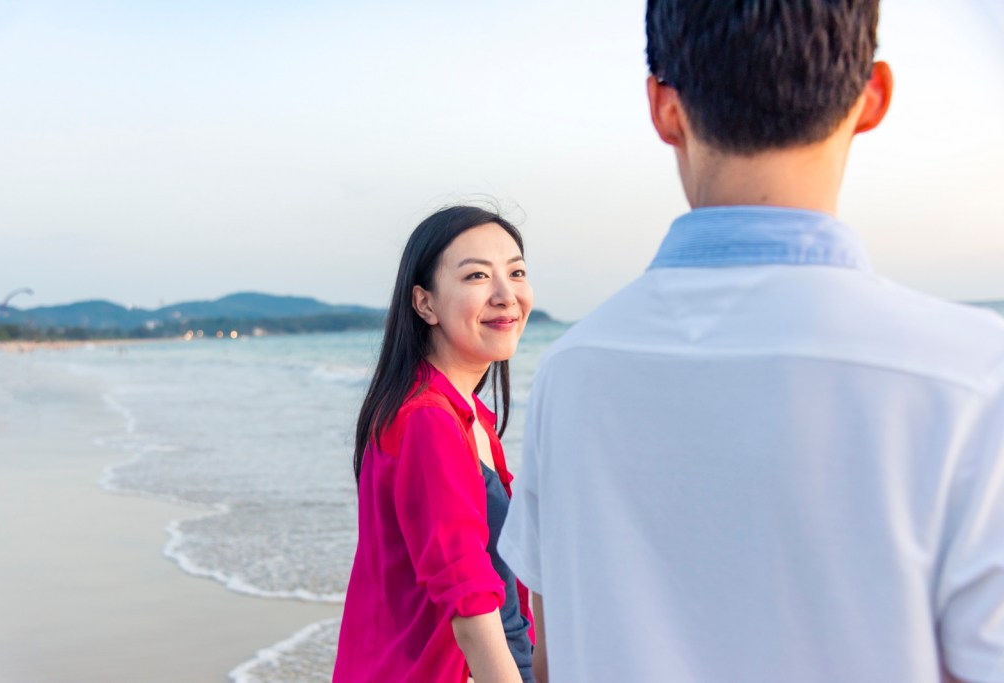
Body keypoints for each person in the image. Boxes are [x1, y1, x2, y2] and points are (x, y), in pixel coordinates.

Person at [498, 2, 1004, 682]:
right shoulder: (973, 377)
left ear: (664, 109)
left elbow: (552, 657)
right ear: (873, 98)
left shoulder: (571, 370)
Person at [333, 205, 535, 683]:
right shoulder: (426, 420)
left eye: (516, 272)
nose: (506, 295)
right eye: (477, 276)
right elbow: (470, 607)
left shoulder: (469, 414)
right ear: (425, 304)